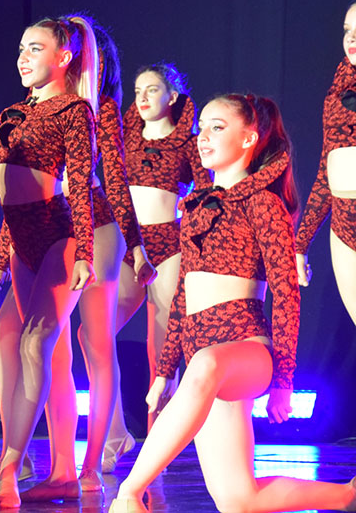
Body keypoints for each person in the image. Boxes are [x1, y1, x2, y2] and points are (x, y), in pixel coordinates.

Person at [111, 92, 356, 513]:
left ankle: (129, 493)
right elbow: (182, 294)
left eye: (217, 127)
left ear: (248, 139)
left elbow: (286, 292)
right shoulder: (197, 207)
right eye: (201, 128)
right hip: (202, 359)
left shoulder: (264, 203)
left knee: (207, 364)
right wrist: (165, 371)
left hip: (246, 353)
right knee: (238, 499)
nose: (203, 137)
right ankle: (348, 496)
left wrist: (283, 381)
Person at [0, 15, 98, 509]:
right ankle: (47, 469)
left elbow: (79, 184)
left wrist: (86, 250)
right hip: (21, 243)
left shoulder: (74, 110)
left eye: (35, 48)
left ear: (63, 57)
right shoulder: (16, 112)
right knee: (38, 353)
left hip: (58, 236)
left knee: (35, 341)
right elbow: (12, 202)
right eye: (21, 47)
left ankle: (10, 466)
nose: (23, 56)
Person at [22, 21, 155, 499]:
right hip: (51, 228)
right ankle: (60, 464)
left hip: (97, 226)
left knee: (96, 342)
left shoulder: (101, 108)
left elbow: (114, 179)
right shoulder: (36, 105)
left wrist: (135, 245)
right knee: (49, 343)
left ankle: (95, 462)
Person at [104, 63, 210, 472]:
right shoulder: (125, 136)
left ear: (173, 96)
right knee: (94, 333)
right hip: (128, 246)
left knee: (163, 346)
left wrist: (192, 207)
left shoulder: (188, 141)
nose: (143, 97)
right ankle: (115, 432)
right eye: (137, 91)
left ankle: (159, 439)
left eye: (152, 89)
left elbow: (206, 191)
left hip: (169, 244)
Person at [296, 0, 356, 326]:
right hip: (344, 228)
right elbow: (325, 173)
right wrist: (301, 243)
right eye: (347, 30)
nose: (351, 38)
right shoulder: (336, 93)